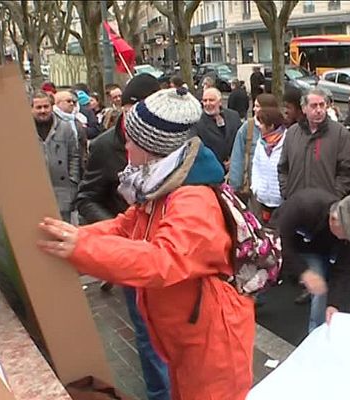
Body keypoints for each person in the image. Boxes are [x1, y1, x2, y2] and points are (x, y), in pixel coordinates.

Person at [38, 87, 255, 400]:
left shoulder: (192, 199)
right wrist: (73, 238)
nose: (124, 144)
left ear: (151, 147)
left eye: (130, 139)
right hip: (190, 336)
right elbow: (125, 227)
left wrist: (81, 250)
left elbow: (161, 260)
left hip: (214, 343)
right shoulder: (162, 186)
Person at [74, 75, 170, 399]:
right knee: (146, 334)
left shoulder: (172, 150)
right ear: (126, 109)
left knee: (171, 332)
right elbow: (86, 198)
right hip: (130, 256)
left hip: (165, 256)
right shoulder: (103, 147)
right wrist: (118, 235)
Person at [276, 189, 350, 331]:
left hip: (317, 250)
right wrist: (303, 272)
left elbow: (344, 269)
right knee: (262, 273)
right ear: (333, 219)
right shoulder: (304, 205)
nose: (347, 240)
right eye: (345, 235)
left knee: (320, 286)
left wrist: (333, 304)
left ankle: (316, 333)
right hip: (282, 240)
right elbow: (280, 241)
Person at [278, 87, 350, 201]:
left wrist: (334, 197)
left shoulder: (340, 133)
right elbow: (283, 168)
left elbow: (347, 172)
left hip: (326, 207)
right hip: (296, 204)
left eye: (322, 105)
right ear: (304, 108)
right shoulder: (292, 133)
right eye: (314, 106)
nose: (319, 110)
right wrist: (287, 192)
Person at [31, 91, 80, 223]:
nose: (43, 111)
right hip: (34, 191)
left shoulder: (65, 128)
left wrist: (73, 181)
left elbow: (74, 156)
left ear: (52, 106)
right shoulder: (25, 131)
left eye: (46, 106)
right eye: (38, 107)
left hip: (62, 190)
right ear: (31, 109)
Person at [228, 93, 278, 196]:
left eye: (258, 106)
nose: (254, 109)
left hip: (275, 190)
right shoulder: (247, 127)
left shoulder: (281, 130)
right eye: (254, 106)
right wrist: (235, 186)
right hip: (252, 188)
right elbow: (237, 156)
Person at [249, 106, 286, 225]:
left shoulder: (288, 140)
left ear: (271, 126)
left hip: (281, 201)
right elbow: (256, 165)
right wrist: (256, 187)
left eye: (262, 123)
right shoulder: (261, 142)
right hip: (262, 198)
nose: (259, 126)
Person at [190, 87, 242, 169]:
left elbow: (242, 141)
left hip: (235, 168)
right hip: (210, 170)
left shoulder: (234, 116)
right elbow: (195, 149)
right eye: (205, 100)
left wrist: (234, 160)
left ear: (220, 102)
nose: (207, 103)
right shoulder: (196, 121)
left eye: (211, 100)